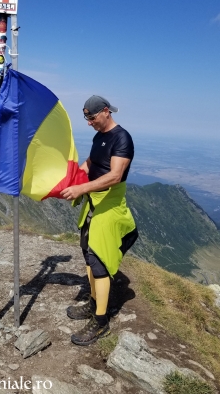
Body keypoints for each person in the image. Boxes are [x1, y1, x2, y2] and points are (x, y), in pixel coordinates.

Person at [61, 95, 138, 346]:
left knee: (99, 261)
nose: (89, 123)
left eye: (92, 117)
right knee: (87, 253)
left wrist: (82, 188)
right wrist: (73, 177)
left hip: (109, 207)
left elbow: (115, 176)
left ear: (106, 111)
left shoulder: (122, 138)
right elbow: (91, 162)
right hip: (94, 204)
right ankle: (94, 304)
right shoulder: (99, 137)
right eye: (87, 118)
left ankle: (101, 321)